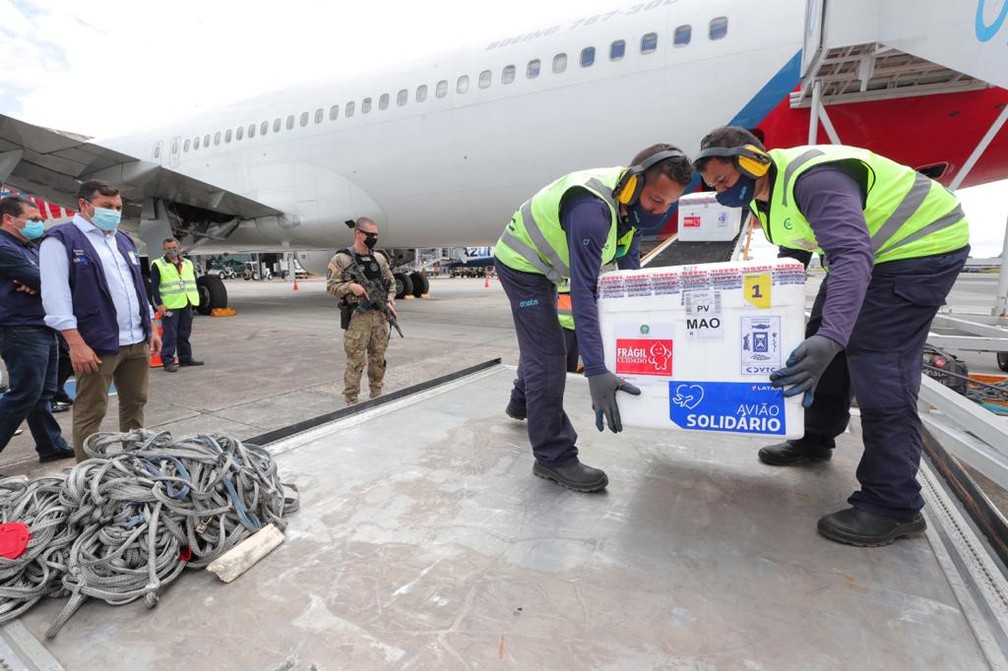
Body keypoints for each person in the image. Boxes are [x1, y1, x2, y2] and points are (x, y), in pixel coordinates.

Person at [693, 126, 970, 546]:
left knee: (878, 365)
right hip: (873, 255)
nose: (720, 192)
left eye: (724, 181)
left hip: (919, 249)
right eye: (713, 185)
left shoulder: (814, 180)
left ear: (751, 161)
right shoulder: (765, 196)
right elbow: (795, 250)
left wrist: (835, 335)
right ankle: (816, 438)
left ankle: (893, 504)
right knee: (819, 337)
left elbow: (852, 255)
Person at [494, 144, 693, 492]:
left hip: (548, 267)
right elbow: (585, 292)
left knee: (542, 344)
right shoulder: (592, 211)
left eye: (668, 204)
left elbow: (629, 277)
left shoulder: (628, 209)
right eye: (656, 201)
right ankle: (552, 457)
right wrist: (597, 370)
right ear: (633, 184)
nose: (661, 211)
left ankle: (521, 402)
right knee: (549, 354)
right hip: (521, 265)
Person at [40, 179, 161, 461]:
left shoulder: (122, 239)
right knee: (91, 410)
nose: (115, 212)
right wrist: (75, 343)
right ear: (84, 205)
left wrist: (151, 327)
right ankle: (88, 473)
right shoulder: (61, 240)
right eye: (107, 206)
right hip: (97, 343)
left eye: (118, 207)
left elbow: (137, 288)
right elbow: (55, 296)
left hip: (136, 340)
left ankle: (135, 462)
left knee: (135, 404)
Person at [0, 196, 76, 462]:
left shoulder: (29, 247)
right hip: (20, 328)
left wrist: (43, 283)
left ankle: (50, 445)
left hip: (42, 324)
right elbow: (43, 279)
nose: (39, 224)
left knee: (43, 392)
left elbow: (55, 278)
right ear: (9, 219)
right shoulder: (3, 246)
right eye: (33, 219)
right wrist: (42, 283)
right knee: (24, 393)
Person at [326, 217, 397, 405]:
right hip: (357, 317)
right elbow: (331, 286)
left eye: (376, 234)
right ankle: (351, 401)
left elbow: (391, 282)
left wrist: (388, 302)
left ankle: (377, 396)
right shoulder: (341, 259)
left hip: (379, 317)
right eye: (370, 234)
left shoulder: (379, 259)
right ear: (358, 233)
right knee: (355, 362)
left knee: (378, 360)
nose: (374, 238)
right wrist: (351, 287)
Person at [150, 237, 205, 372]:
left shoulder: (187, 263)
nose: (172, 250)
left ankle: (185, 359)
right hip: (170, 306)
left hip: (186, 302)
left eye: (174, 247)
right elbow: (155, 287)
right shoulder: (158, 264)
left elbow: (191, 281)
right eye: (168, 248)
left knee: (184, 333)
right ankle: (168, 361)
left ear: (179, 247)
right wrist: (159, 304)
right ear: (164, 249)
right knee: (170, 335)